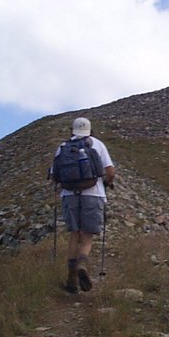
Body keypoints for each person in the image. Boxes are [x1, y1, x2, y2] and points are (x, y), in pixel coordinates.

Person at [53, 117, 115, 294]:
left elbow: (54, 174)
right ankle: (83, 262)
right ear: (90, 130)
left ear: (72, 130)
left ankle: (71, 281)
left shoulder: (62, 147)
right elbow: (110, 171)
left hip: (69, 195)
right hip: (93, 193)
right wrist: (107, 182)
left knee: (75, 235)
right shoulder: (97, 144)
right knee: (87, 237)